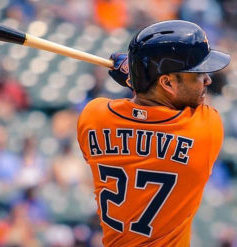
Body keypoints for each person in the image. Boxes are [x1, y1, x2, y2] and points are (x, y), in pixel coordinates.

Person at [77, 20, 230, 246]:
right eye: (197, 73)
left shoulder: (93, 117)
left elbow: (144, 102)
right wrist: (131, 77)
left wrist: (137, 78)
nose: (207, 79)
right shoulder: (206, 129)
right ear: (167, 82)